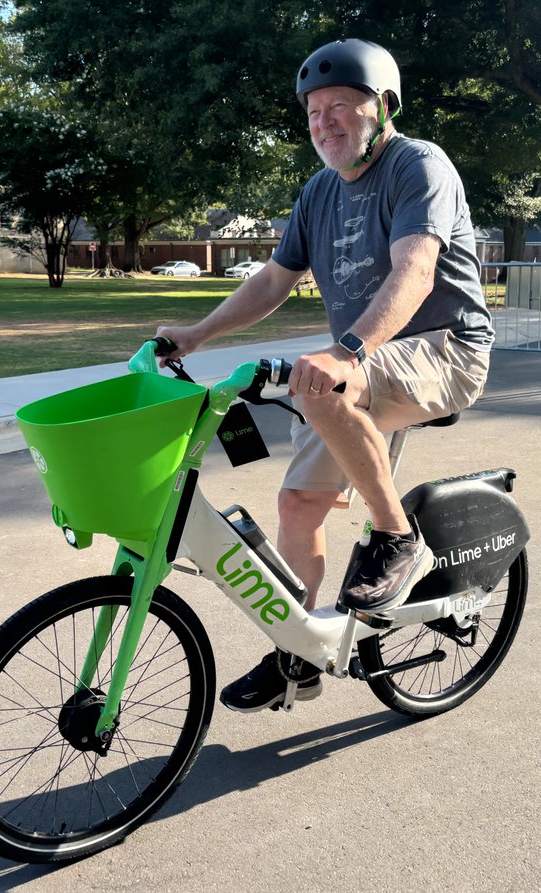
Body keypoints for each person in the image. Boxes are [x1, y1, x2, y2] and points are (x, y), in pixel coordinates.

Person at [156, 38, 495, 713]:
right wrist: (194, 337)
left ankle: (398, 537)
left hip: (447, 349)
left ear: (383, 107)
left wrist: (347, 351)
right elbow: (273, 282)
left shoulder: (418, 166)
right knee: (296, 505)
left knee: (332, 381)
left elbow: (415, 271)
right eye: (314, 110)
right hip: (367, 361)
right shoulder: (318, 193)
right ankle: (299, 656)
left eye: (341, 105)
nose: (325, 121)